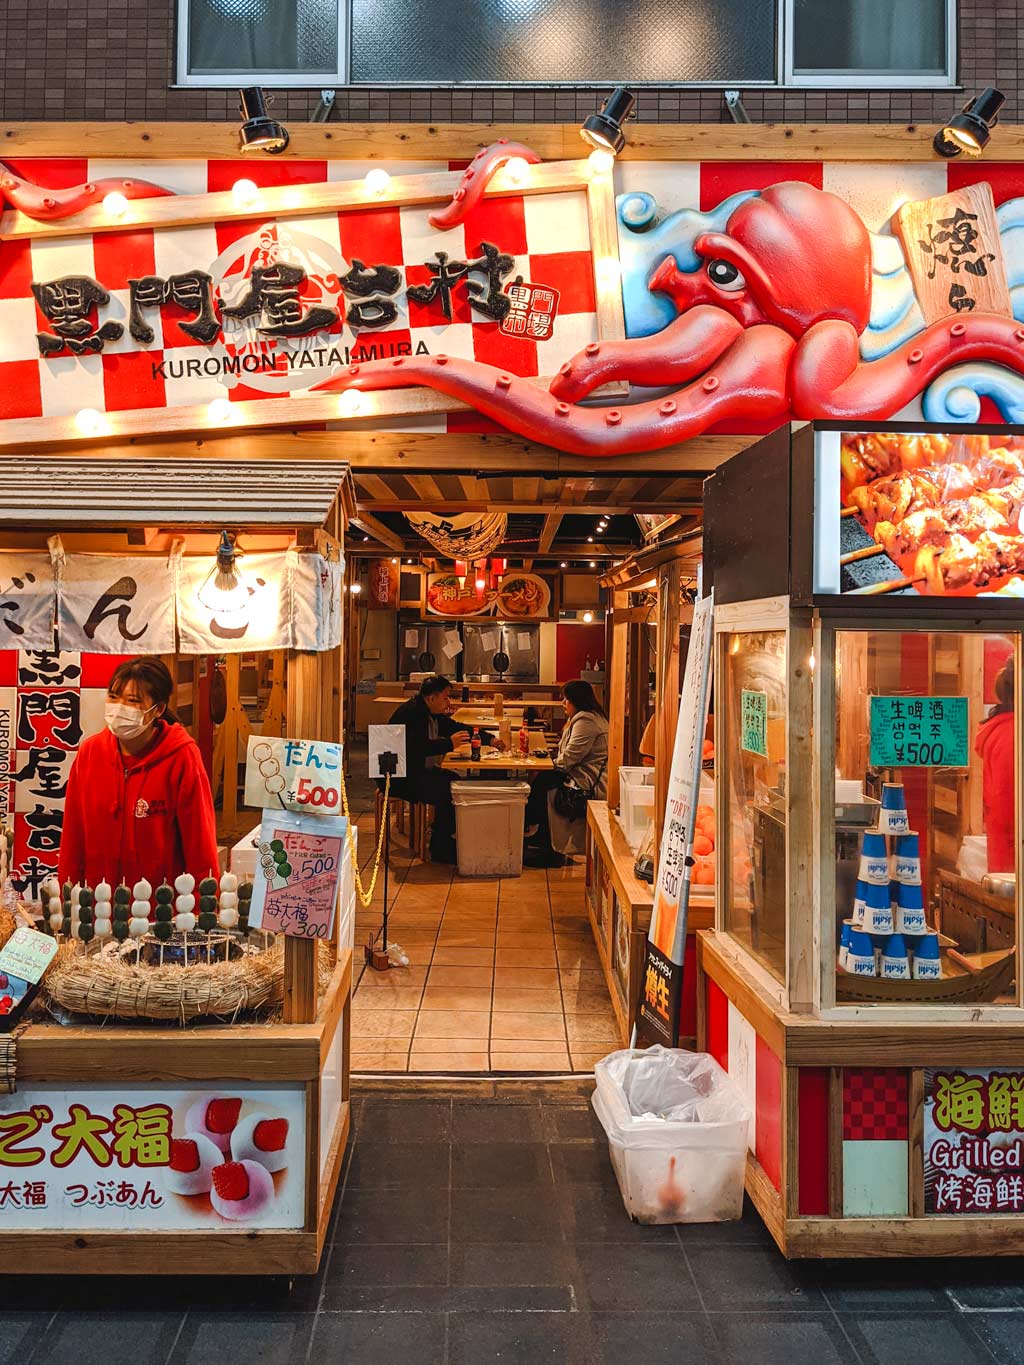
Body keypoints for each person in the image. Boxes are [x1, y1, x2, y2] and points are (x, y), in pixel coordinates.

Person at [58, 657, 220, 890]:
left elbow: (200, 844)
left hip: (161, 914)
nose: (119, 707)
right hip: (97, 911)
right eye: (113, 697)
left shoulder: (182, 757)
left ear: (159, 709)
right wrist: (68, 901)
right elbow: (73, 837)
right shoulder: (90, 753)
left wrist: (201, 911)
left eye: (133, 700)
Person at [388, 675, 473, 863]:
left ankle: (442, 839)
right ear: (431, 698)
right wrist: (449, 744)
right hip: (399, 777)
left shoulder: (429, 712)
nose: (448, 702)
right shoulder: (412, 714)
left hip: (415, 771)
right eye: (445, 697)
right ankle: (440, 848)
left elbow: (454, 727)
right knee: (449, 791)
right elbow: (417, 749)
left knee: (456, 783)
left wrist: (488, 737)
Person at [524, 679, 609, 863]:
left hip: (587, 780)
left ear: (576, 700)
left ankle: (540, 838)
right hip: (582, 773)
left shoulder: (587, 720)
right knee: (543, 780)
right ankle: (540, 836)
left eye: (566, 699)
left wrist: (548, 763)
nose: (563, 703)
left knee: (543, 782)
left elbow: (570, 757)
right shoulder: (586, 717)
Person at [976, 655, 1015, 875]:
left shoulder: (1005, 730)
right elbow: (1007, 803)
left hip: (1005, 848)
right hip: (1012, 855)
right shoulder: (1011, 734)